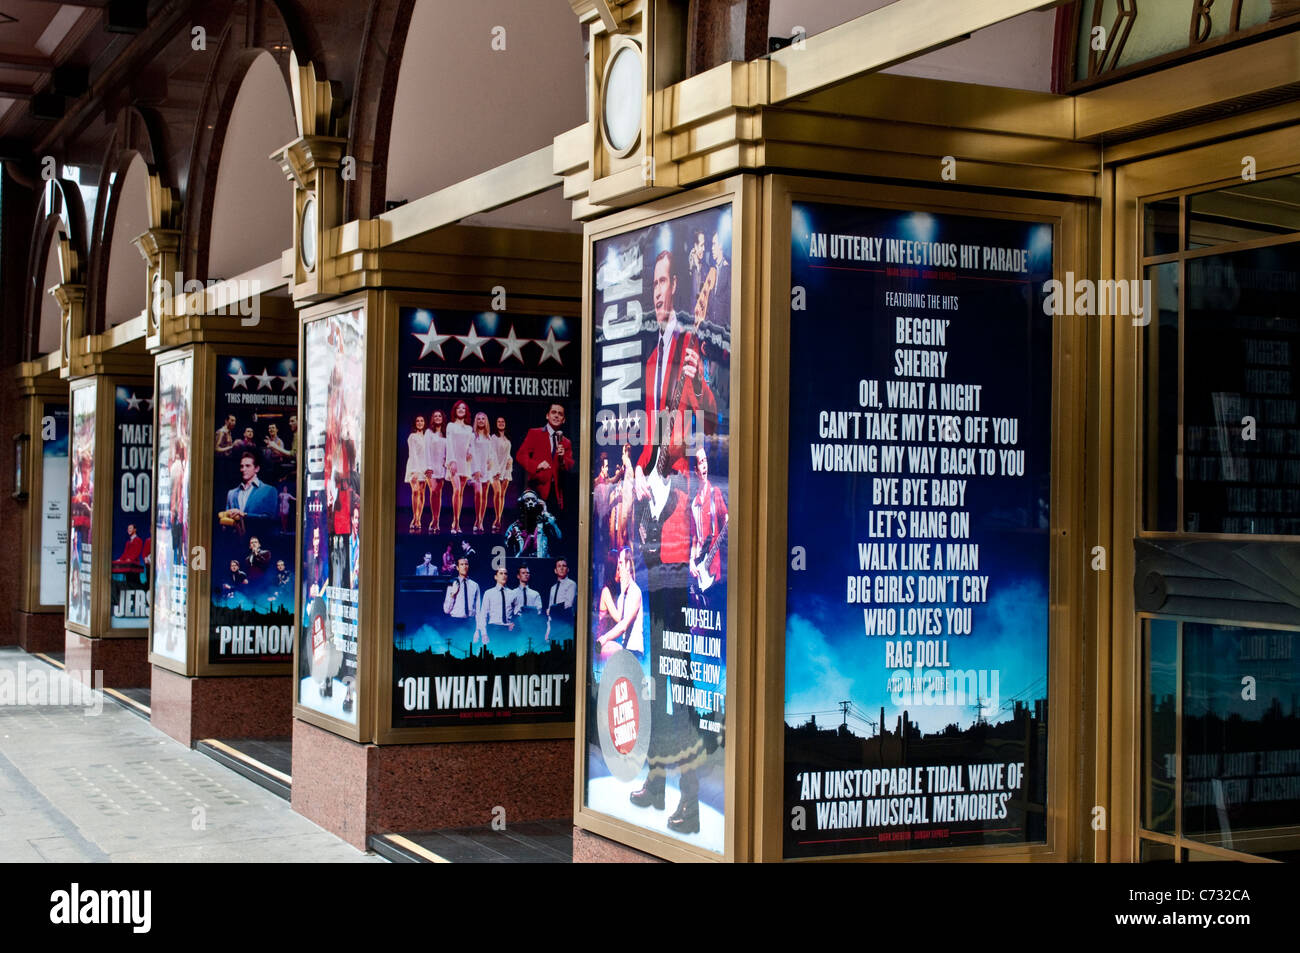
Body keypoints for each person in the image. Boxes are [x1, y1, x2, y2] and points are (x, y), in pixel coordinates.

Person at [627, 456, 704, 834]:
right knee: (656, 685)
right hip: (656, 587)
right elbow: (641, 529)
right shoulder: (649, 477)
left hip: (676, 591)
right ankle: (657, 783)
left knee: (683, 691)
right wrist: (639, 478)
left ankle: (690, 799)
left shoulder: (684, 477)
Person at [637, 250, 717, 482]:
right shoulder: (652, 360)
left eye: (662, 281)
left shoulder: (689, 344)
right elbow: (651, 438)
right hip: (652, 486)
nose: (658, 292)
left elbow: (710, 425)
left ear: (673, 284)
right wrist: (641, 469)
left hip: (678, 486)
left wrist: (700, 384)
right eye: (654, 285)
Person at [515, 403, 573, 510]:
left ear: (563, 420)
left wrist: (562, 459)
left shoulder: (566, 442)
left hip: (555, 494)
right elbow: (520, 455)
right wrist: (537, 466)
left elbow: (569, 465)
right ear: (547, 416)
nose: (556, 416)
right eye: (553, 412)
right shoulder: (535, 433)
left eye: (560, 414)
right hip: (536, 490)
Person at [690, 446, 728, 598]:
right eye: (700, 462)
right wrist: (691, 561)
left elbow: (727, 521)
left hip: (714, 568)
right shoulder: (694, 504)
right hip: (700, 570)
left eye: (705, 460)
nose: (704, 465)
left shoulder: (715, 493)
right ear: (696, 469)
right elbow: (694, 538)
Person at [595, 546, 642, 660]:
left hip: (633, 652)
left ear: (628, 565)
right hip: (621, 648)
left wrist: (605, 638)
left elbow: (622, 625)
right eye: (618, 564)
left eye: (620, 563)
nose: (619, 567)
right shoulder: (617, 592)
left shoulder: (634, 592)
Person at [504, 490, 561, 558]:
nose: (530, 502)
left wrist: (545, 511)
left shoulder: (545, 525)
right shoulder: (514, 527)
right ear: (521, 504)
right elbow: (507, 548)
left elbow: (558, 537)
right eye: (527, 500)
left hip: (541, 563)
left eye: (533, 500)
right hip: (522, 564)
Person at [445, 400, 473, 534]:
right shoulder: (450, 426)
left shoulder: (469, 428)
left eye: (463, 408)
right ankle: (455, 522)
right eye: (459, 408)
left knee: (461, 492)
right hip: (454, 460)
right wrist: (452, 461)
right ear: (455, 411)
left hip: (465, 462)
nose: (461, 410)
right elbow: (449, 443)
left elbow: (471, 443)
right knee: (456, 490)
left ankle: (457, 521)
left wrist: (470, 451)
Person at [225, 450, 278, 519]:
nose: (243, 469)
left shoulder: (269, 490)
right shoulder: (231, 493)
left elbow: (270, 518)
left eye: (248, 466)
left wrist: (244, 515)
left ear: (256, 469)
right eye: (242, 466)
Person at [442, 555, 480, 645]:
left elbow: (479, 610)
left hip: (470, 623)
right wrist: (453, 594)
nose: (464, 566)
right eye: (461, 564)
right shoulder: (452, 584)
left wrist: (478, 630)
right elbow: (446, 610)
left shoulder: (475, 585)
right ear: (457, 568)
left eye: (466, 564)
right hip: (455, 623)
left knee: (472, 653)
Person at [476, 566, 515, 653]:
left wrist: (514, 623)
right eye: (501, 573)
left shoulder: (512, 593)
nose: (504, 576)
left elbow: (517, 612)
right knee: (494, 656)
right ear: (495, 577)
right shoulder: (489, 593)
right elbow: (483, 615)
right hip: (494, 629)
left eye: (505, 574)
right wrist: (484, 633)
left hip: (508, 630)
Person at [405, 414, 431, 533]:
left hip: (424, 467)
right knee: (415, 492)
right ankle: (414, 517)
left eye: (422, 420)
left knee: (421, 492)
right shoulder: (412, 436)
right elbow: (413, 454)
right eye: (418, 421)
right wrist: (414, 471)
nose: (420, 422)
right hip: (414, 467)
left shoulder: (427, 436)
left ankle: (418, 519)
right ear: (415, 423)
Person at [469, 411, 494, 534]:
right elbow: (472, 452)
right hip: (476, 468)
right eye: (478, 419)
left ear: (486, 421)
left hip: (487, 469)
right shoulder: (473, 436)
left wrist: (491, 461)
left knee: (484, 495)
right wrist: (476, 469)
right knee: (478, 493)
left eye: (483, 419)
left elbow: (491, 453)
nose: (480, 421)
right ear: (476, 421)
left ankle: (480, 521)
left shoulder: (489, 437)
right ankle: (477, 519)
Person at [424, 409, 448, 534]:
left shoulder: (445, 434)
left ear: (442, 418)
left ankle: (436, 520)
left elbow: (448, 450)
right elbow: (426, 450)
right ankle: (434, 519)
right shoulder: (429, 433)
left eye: (440, 416)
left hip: (441, 467)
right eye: (435, 416)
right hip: (431, 467)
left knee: (438, 493)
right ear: (433, 419)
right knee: (433, 491)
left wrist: (447, 462)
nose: (438, 418)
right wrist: (428, 467)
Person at [545, 557, 577, 642]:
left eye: (564, 566)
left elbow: (568, 604)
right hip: (554, 624)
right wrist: (548, 631)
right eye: (559, 566)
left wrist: (551, 609)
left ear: (568, 569)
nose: (562, 568)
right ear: (555, 570)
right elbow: (549, 614)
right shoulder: (553, 588)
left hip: (566, 623)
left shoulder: (571, 584)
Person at [490, 415, 511, 534]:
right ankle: (497, 518)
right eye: (499, 421)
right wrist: (496, 470)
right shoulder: (493, 438)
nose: (501, 423)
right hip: (495, 469)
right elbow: (492, 454)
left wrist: (510, 460)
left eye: (503, 421)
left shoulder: (507, 439)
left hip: (506, 469)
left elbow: (508, 454)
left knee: (502, 495)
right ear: (496, 424)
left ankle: (499, 518)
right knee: (497, 493)